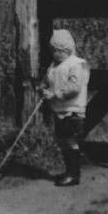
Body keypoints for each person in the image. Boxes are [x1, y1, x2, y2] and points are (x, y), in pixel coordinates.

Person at [38, 29, 91, 187]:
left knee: (70, 141)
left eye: (60, 50)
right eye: (54, 50)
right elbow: (49, 79)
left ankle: (74, 175)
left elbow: (73, 87)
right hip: (59, 111)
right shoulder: (54, 66)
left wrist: (55, 94)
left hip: (73, 111)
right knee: (62, 141)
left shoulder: (78, 64)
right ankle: (69, 171)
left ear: (68, 49)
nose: (56, 54)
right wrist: (43, 86)